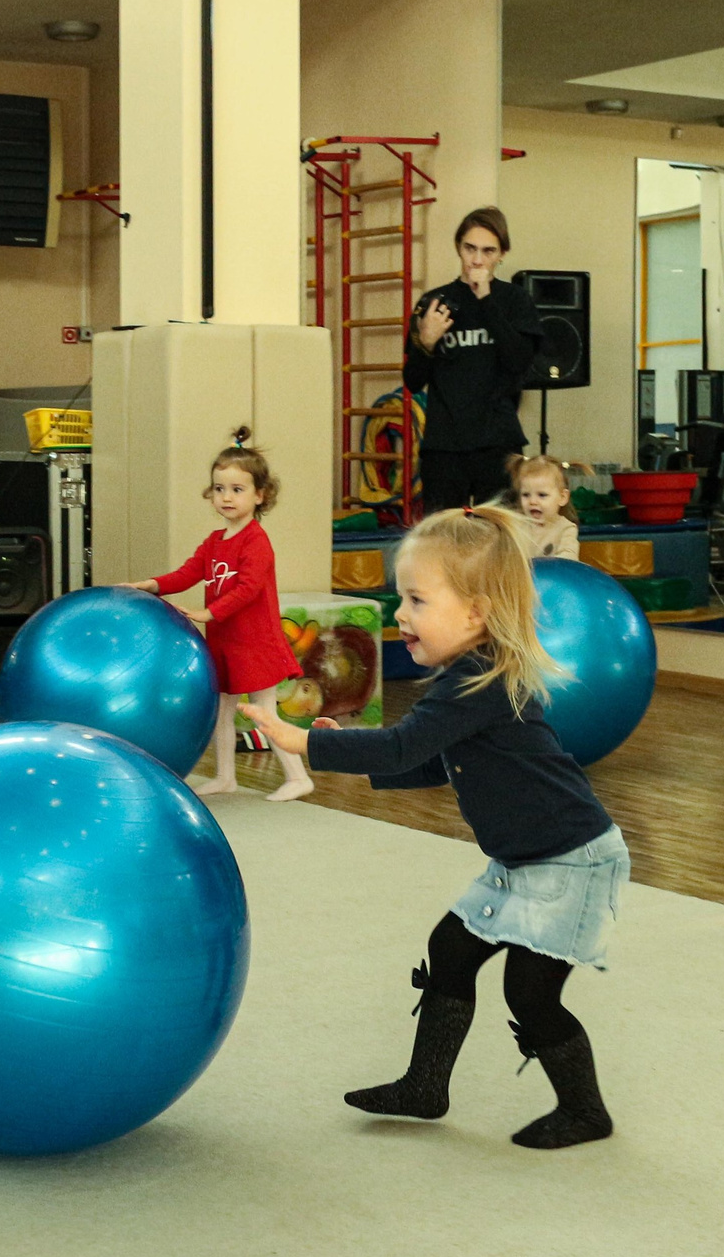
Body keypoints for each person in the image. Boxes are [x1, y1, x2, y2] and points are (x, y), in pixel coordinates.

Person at [249, 507, 628, 1149]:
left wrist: (302, 743)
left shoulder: (478, 682)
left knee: (530, 996)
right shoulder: (468, 678)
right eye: (402, 597)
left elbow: (400, 747)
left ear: (476, 613)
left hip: (570, 860)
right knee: (451, 949)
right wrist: (363, 755)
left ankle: (586, 1111)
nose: (400, 613)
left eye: (417, 599)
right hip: (524, 856)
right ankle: (425, 1086)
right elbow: (430, 761)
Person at [124, 429, 311, 801]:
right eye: (219, 488)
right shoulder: (214, 542)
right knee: (222, 712)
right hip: (226, 643)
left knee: (263, 711)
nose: (227, 497)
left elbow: (248, 589)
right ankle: (226, 776)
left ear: (260, 495)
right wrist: (152, 584)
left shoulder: (256, 542)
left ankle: (297, 776)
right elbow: (187, 573)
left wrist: (207, 613)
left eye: (237, 490)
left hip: (256, 642)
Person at [407, 207, 542, 511]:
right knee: (443, 540)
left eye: (488, 250)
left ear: (501, 254)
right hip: (444, 445)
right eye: (470, 248)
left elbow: (519, 363)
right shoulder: (433, 303)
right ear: (459, 248)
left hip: (497, 442)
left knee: (498, 539)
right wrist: (425, 342)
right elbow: (413, 381)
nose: (477, 260)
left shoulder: (516, 301)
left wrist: (486, 300)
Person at [503, 453, 584, 561]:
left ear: (562, 497)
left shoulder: (566, 528)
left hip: (552, 576)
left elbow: (569, 558)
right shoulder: (516, 524)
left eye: (542, 495)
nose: (532, 501)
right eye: (526, 495)